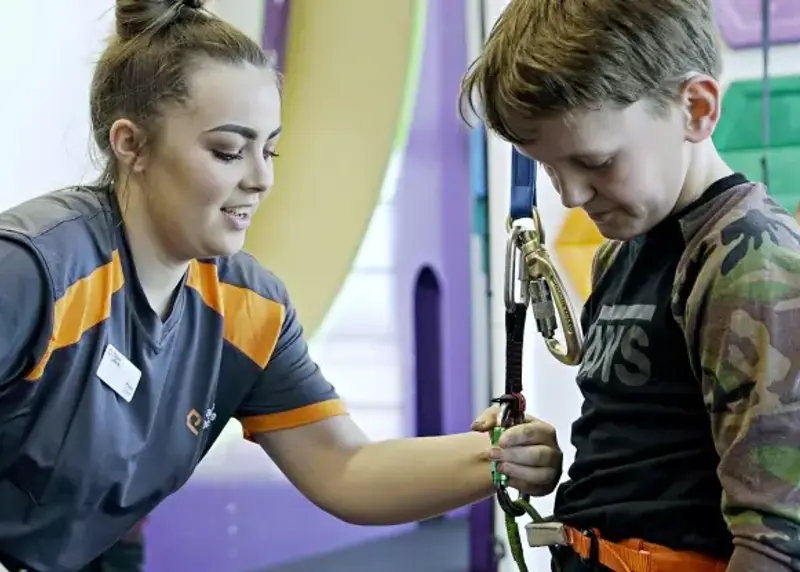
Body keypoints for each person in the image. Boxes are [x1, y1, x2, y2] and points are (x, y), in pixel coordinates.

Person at [0, 1, 563, 571]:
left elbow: (345, 468)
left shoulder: (250, 307)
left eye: (269, 149)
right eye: (227, 151)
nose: (261, 178)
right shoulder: (31, 271)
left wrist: (500, 458)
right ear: (131, 144)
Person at [460, 1, 800, 571]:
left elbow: (777, 539)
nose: (570, 196)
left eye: (595, 161)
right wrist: (547, 460)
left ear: (695, 109)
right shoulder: (621, 252)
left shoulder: (748, 262)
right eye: (548, 168)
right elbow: (647, 455)